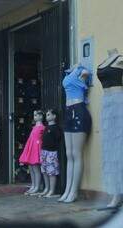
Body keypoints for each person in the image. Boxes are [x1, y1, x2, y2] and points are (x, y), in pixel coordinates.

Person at [58, 65, 92, 203]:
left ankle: (74, 192)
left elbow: (86, 72)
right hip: (68, 111)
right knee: (69, 154)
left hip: (79, 111)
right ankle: (67, 190)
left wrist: (78, 66)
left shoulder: (80, 70)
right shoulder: (68, 73)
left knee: (76, 154)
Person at [97, 51, 123, 209]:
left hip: (119, 102)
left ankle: (116, 197)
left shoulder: (120, 59)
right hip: (107, 103)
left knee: (119, 149)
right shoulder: (103, 62)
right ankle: (116, 194)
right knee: (110, 150)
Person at [19, 110, 45, 195]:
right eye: (34, 115)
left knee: (36, 168)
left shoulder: (42, 127)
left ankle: (37, 186)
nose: (35, 117)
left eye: (36, 115)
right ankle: (33, 185)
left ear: (41, 116)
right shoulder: (34, 127)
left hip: (36, 148)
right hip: (31, 148)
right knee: (31, 167)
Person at [39, 109, 62, 197]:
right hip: (44, 151)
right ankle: (47, 188)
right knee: (44, 171)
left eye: (49, 114)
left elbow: (58, 139)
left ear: (54, 116)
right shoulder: (46, 127)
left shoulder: (56, 128)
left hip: (52, 152)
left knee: (51, 172)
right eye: (46, 115)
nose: (47, 116)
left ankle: (52, 190)